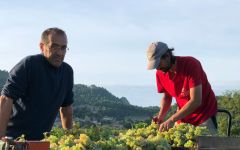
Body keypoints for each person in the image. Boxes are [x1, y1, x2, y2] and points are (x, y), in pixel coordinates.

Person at [0, 27, 74, 140]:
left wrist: (69, 139)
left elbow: (66, 108)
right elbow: (6, 99)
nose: (60, 53)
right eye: (54, 46)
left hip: (42, 143)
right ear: (42, 46)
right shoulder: (29, 65)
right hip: (14, 140)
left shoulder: (67, 72)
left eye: (63, 48)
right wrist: (1, 138)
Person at [146, 41, 217, 134]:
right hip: (183, 116)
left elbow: (196, 101)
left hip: (204, 115)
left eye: (159, 63)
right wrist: (160, 117)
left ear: (167, 55)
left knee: (206, 145)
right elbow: (167, 97)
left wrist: (171, 119)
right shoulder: (160, 73)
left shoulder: (191, 64)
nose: (157, 68)